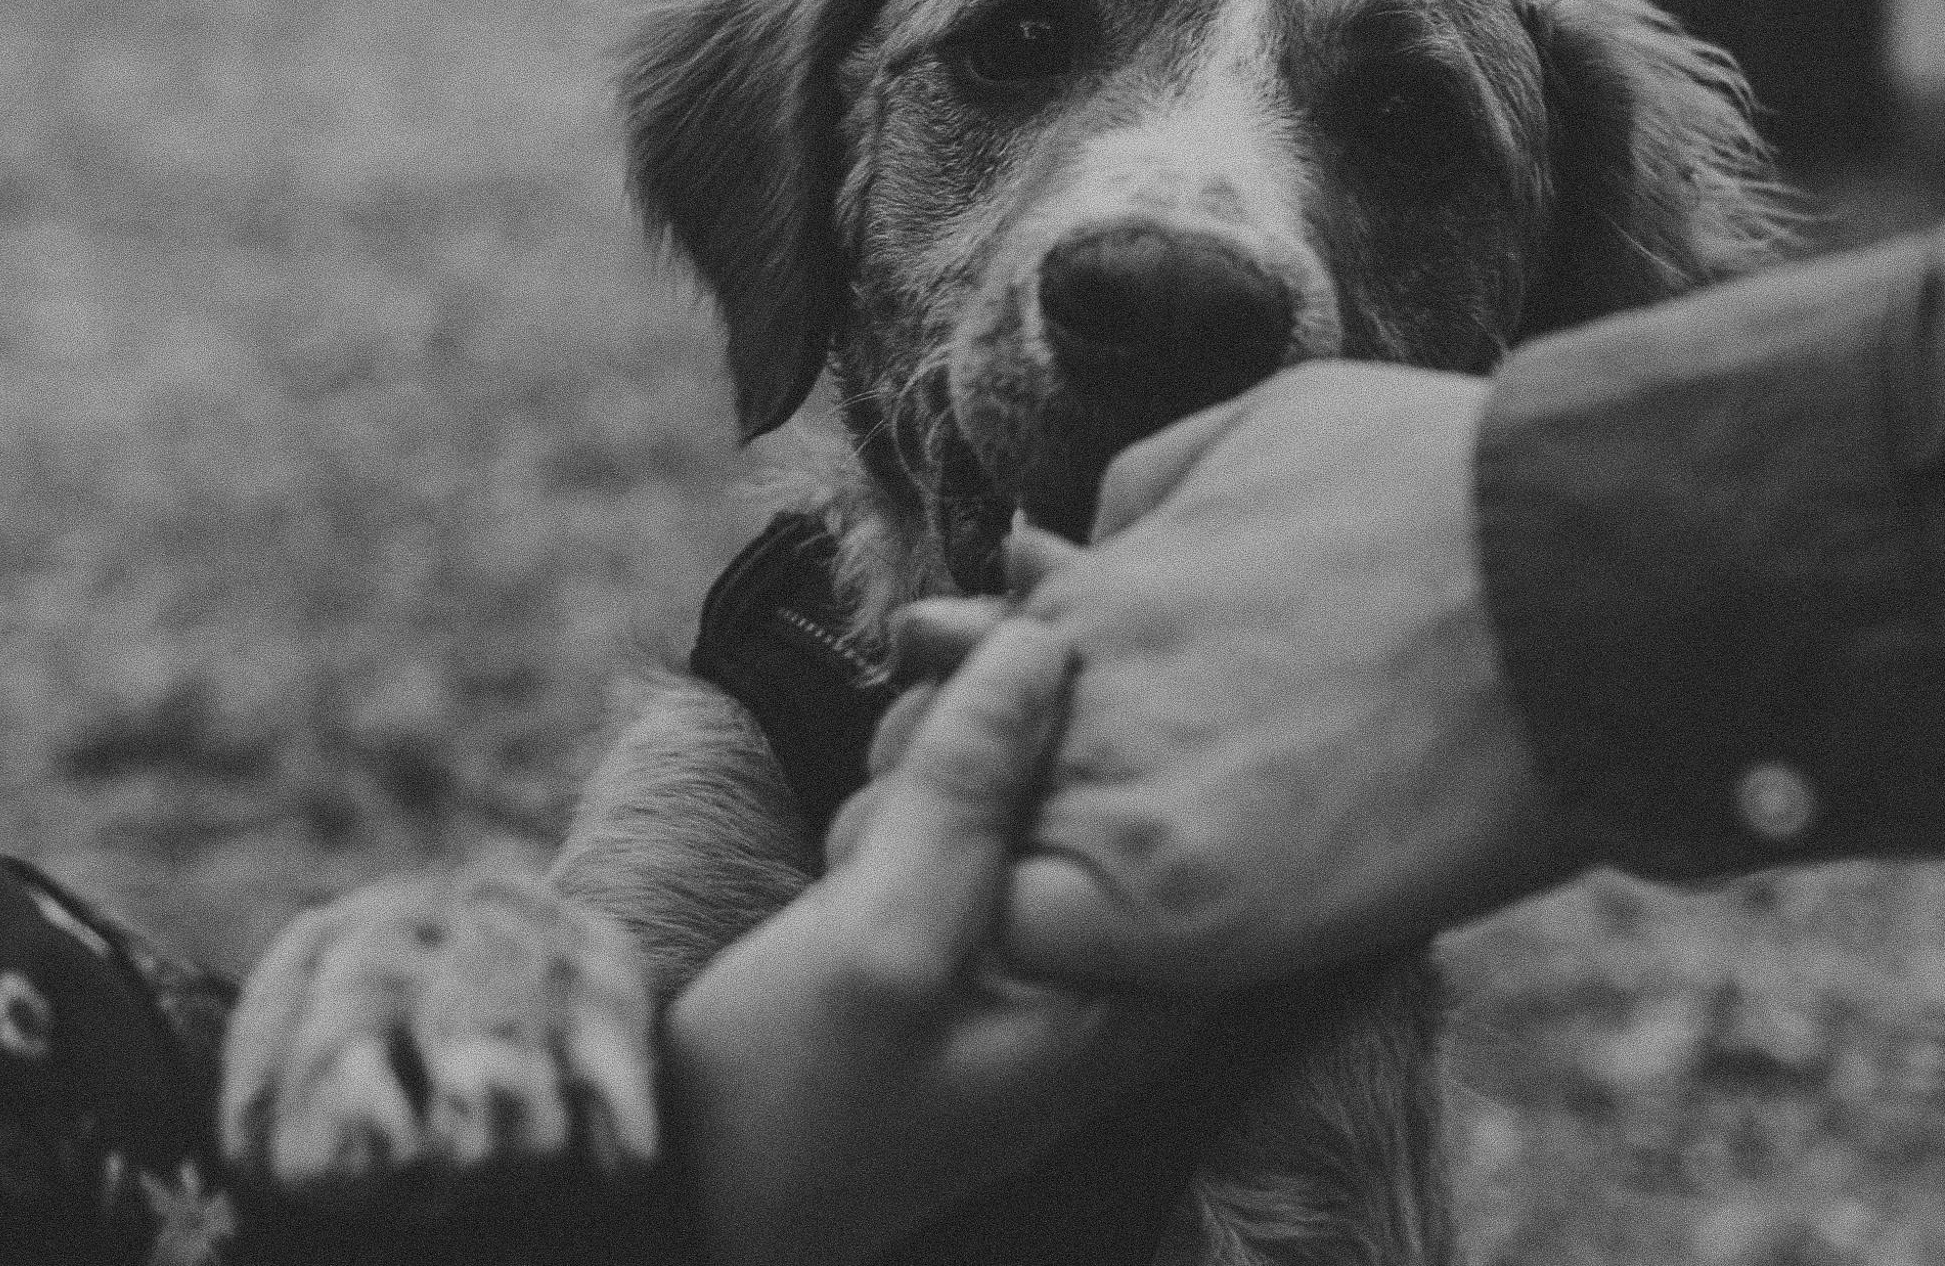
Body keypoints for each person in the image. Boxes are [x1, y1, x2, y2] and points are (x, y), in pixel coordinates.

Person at [665, 224, 1945, 1258]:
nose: (1173, 265)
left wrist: (1533, 547)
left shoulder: (1343, 927)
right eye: (1014, 49)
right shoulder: (737, 756)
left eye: (1402, 120)